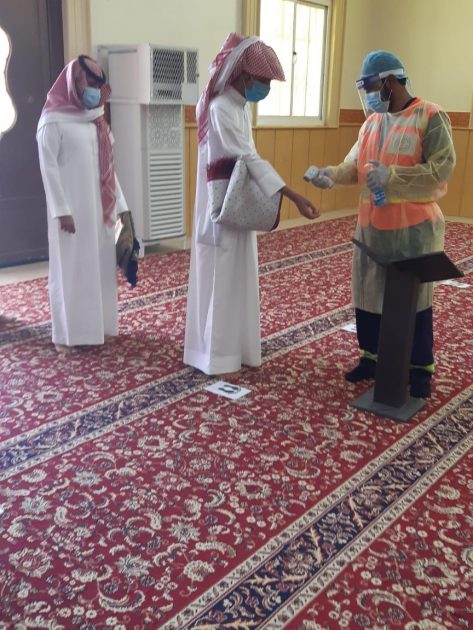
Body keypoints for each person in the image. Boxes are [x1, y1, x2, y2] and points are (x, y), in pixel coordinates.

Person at [307, 50, 455, 398]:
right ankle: (370, 358)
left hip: (414, 231)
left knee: (415, 302)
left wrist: (394, 177)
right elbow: (354, 165)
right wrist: (331, 175)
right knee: (368, 295)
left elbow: (441, 169)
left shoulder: (429, 116)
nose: (370, 96)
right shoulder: (371, 123)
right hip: (372, 228)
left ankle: (419, 368)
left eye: (372, 88)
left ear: (390, 82)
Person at [184, 33, 319, 375]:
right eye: (263, 81)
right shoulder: (220, 108)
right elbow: (247, 157)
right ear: (243, 75)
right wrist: (293, 195)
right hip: (221, 205)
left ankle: (239, 350)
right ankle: (215, 357)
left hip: (238, 199)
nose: (266, 88)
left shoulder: (240, 107)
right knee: (221, 275)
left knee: (239, 274)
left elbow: (249, 158)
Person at [36, 55, 130, 352]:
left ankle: (100, 327)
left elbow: (109, 169)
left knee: (100, 267)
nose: (95, 90)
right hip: (72, 213)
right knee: (72, 270)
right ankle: (69, 335)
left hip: (101, 212)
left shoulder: (96, 120)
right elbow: (49, 168)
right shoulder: (52, 121)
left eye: (98, 85)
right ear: (74, 83)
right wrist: (61, 210)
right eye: (90, 83)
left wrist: (121, 208)